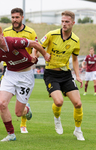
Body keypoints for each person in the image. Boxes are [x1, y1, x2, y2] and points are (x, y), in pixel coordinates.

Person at [0, 24, 50, 142]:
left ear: (2, 35)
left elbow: (34, 44)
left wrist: (45, 54)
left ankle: (26, 110)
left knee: (19, 113)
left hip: (26, 77)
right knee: (2, 103)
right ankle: (11, 134)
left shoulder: (14, 42)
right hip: (10, 75)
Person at [0, 8, 38, 134]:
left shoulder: (30, 31)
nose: (14, 20)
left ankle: (24, 120)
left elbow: (35, 45)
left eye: (17, 17)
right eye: (13, 17)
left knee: (19, 110)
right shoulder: (5, 31)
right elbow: (0, 49)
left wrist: (35, 55)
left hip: (25, 69)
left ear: (22, 18)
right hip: (9, 68)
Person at [35, 10, 85, 141]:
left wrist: (78, 75)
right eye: (62, 21)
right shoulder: (51, 34)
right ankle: (57, 119)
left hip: (66, 74)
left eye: (67, 22)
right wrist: (37, 55)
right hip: (51, 73)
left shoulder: (76, 40)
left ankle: (78, 130)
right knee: (59, 101)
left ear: (73, 23)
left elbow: (74, 59)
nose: (64, 24)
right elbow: (37, 46)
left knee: (78, 103)